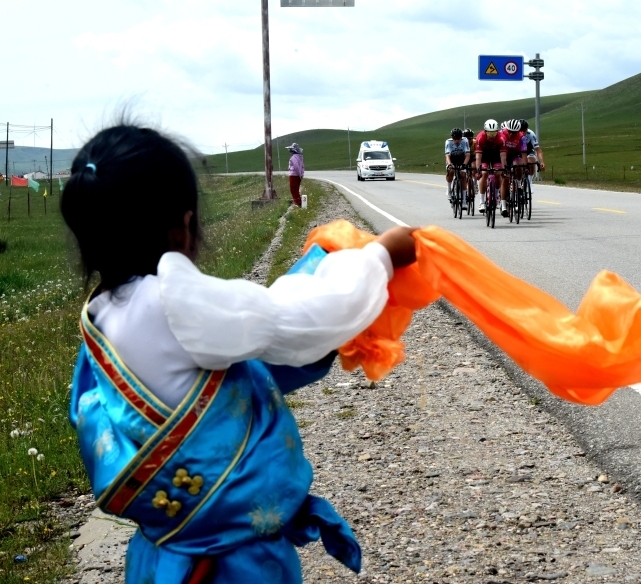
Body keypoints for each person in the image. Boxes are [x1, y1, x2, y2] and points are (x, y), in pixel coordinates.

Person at [61, 123, 418, 584]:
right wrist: (380, 257)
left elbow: (238, 363)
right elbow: (300, 318)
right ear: (182, 228)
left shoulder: (101, 316)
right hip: (231, 566)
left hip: (159, 559)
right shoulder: (175, 304)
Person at [473, 119, 507, 214]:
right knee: (484, 173)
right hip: (484, 156)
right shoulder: (480, 137)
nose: (491, 136)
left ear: (497, 131)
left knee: (498, 173)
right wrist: (478, 170)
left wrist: (504, 169)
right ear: (485, 131)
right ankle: (481, 201)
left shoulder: (501, 138)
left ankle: (496, 194)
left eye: (494, 133)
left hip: (496, 156)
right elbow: (478, 156)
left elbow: (503, 156)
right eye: (489, 133)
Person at [499, 119, 528, 218]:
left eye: (514, 132)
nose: (511, 134)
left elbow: (524, 153)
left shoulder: (522, 137)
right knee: (505, 179)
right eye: (510, 131)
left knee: (518, 165)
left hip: (515, 154)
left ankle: (518, 183)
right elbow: (501, 153)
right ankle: (503, 205)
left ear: (518, 131)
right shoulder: (501, 134)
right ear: (507, 129)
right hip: (504, 154)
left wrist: (525, 166)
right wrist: (503, 167)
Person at [444, 128, 470, 202]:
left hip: (462, 160)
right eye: (455, 139)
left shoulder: (465, 141)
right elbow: (447, 156)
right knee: (451, 171)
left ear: (461, 137)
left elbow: (467, 155)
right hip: (452, 160)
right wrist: (449, 165)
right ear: (452, 138)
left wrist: (464, 164)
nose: (457, 141)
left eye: (458, 139)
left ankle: (464, 199)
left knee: (463, 175)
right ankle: (449, 189)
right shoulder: (448, 142)